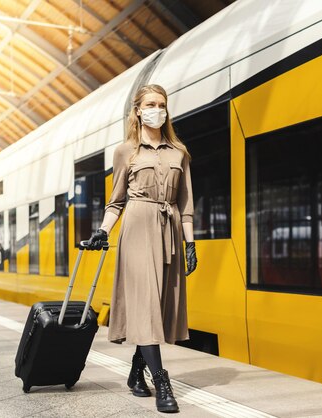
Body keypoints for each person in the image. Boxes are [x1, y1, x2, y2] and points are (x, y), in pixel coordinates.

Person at [87, 84, 198, 413]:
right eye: (150, 104)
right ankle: (162, 381)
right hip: (136, 230)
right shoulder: (125, 152)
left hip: (169, 231)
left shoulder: (179, 153)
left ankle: (136, 372)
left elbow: (186, 204)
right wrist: (102, 232)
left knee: (158, 310)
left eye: (161, 105)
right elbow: (116, 201)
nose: (157, 110)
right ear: (138, 111)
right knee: (147, 305)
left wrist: (191, 244)